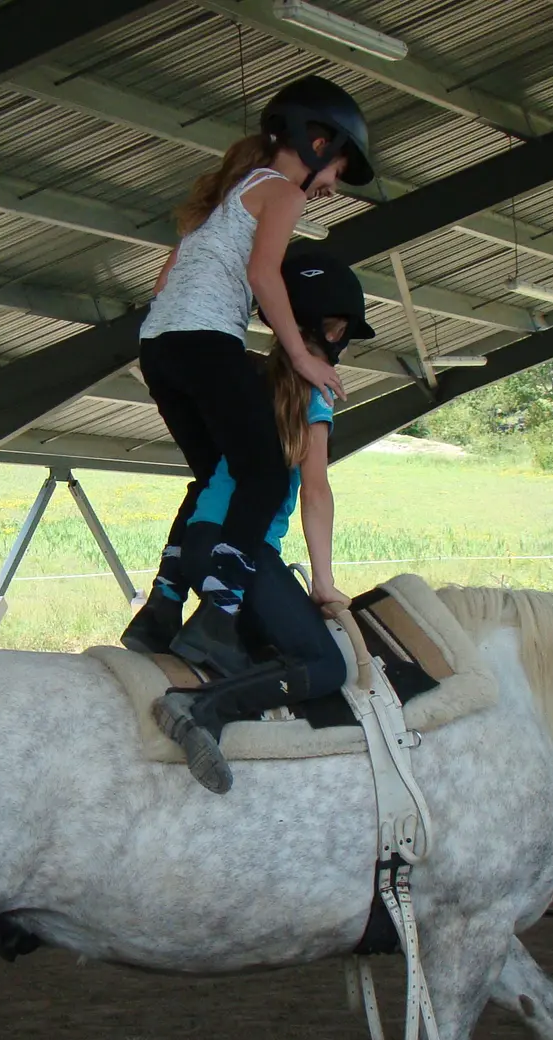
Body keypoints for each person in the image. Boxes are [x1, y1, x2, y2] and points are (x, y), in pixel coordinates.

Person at [122, 74, 375, 680]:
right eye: (337, 170)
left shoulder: (218, 201)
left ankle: (159, 607)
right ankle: (218, 617)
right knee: (263, 472)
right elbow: (265, 276)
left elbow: (163, 285)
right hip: (207, 342)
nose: (332, 187)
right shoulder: (280, 191)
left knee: (217, 471)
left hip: (158, 349)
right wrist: (303, 354)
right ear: (316, 143)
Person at [150, 248, 375, 793]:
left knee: (264, 642)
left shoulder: (246, 381)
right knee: (325, 666)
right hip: (244, 549)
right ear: (335, 326)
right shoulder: (313, 395)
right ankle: (202, 712)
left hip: (200, 539)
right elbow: (316, 491)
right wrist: (322, 582)